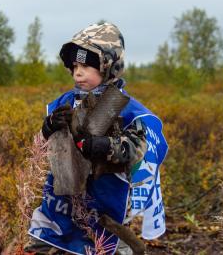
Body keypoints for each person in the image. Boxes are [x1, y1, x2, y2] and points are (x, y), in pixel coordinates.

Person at [24, 23, 168, 255]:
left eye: (86, 66)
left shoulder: (126, 109)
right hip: (62, 203)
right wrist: (48, 128)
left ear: (108, 67)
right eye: (75, 65)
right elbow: (40, 147)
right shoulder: (66, 101)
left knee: (107, 246)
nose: (77, 72)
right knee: (47, 245)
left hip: (108, 204)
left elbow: (140, 149)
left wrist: (106, 146)